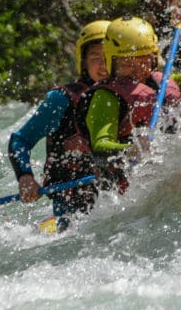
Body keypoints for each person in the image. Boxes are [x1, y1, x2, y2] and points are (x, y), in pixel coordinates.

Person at [7, 20, 110, 231]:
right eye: (96, 58)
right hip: (73, 205)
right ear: (83, 62)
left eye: (109, 57)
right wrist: (25, 177)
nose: (104, 66)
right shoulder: (61, 100)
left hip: (120, 199)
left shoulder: (135, 95)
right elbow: (20, 140)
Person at [80, 16, 181, 209]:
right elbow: (100, 147)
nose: (137, 70)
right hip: (124, 197)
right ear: (111, 61)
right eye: (127, 64)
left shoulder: (161, 83)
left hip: (163, 180)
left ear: (153, 57)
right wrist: (132, 149)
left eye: (143, 61)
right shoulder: (105, 97)